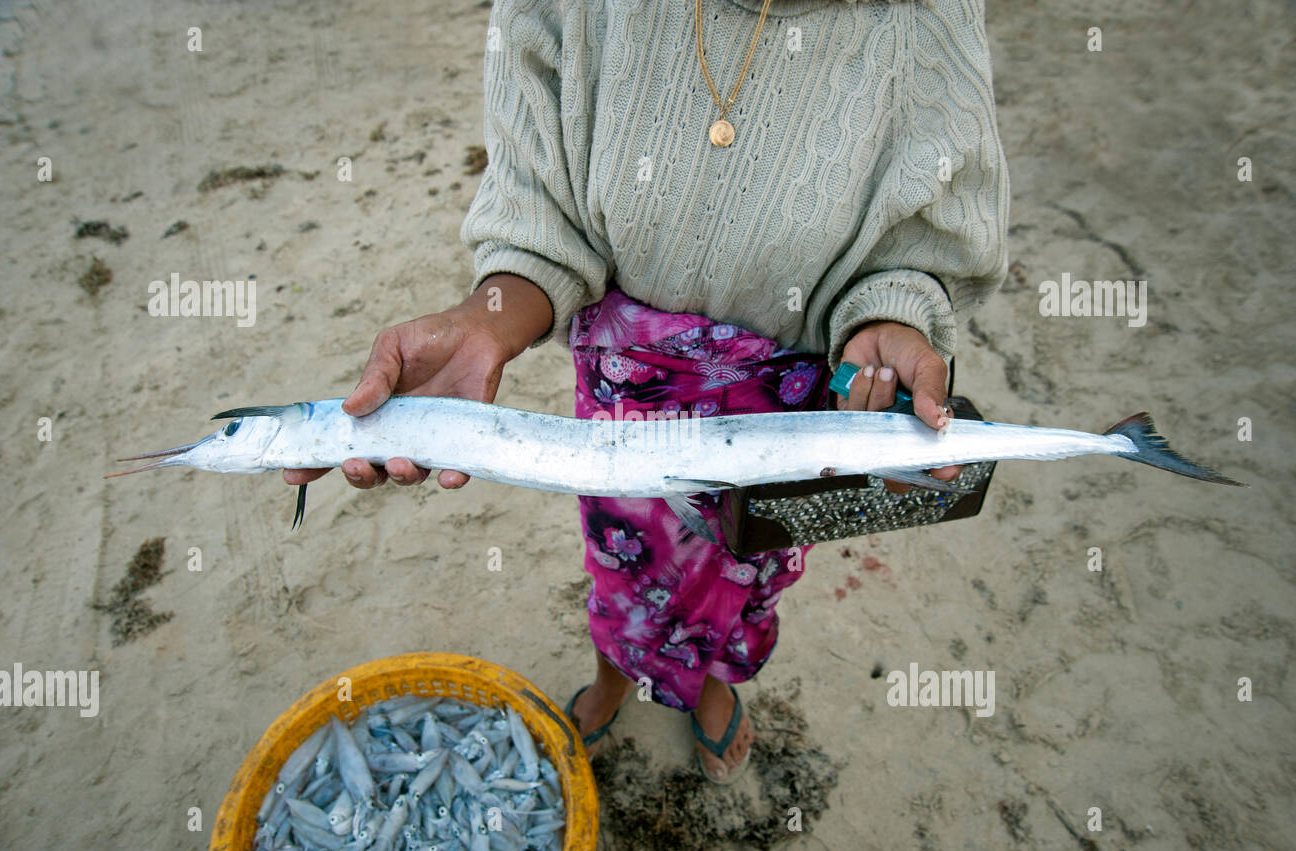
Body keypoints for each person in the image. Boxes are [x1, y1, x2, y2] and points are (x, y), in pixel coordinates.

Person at [285, 0, 1009, 784]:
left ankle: (707, 686)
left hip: (789, 406)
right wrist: (485, 322)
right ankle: (615, 676)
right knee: (621, 556)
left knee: (748, 567)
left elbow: (921, 239)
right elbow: (540, 203)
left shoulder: (925, 15)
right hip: (626, 391)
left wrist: (891, 315)